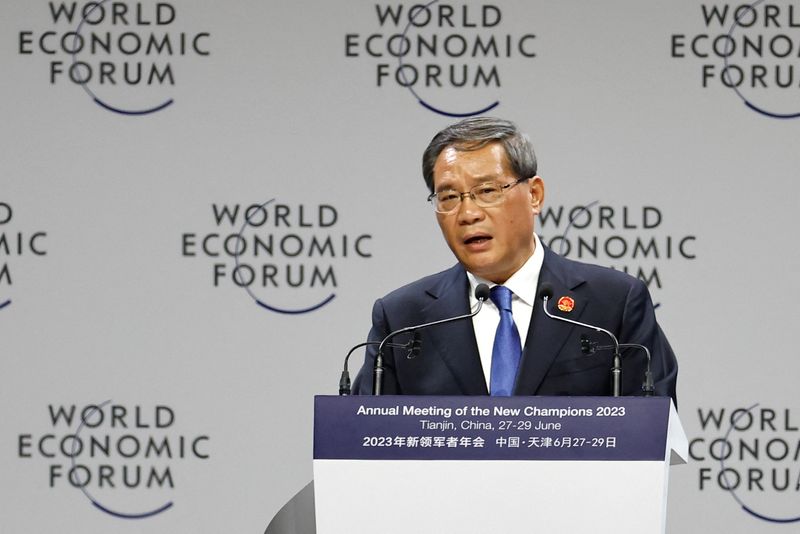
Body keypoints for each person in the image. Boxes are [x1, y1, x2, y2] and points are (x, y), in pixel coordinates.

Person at [352, 117, 677, 401]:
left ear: (534, 195)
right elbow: (359, 444)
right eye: (449, 197)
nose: (467, 213)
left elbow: (651, 432)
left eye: (488, 191)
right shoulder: (403, 320)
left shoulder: (614, 304)